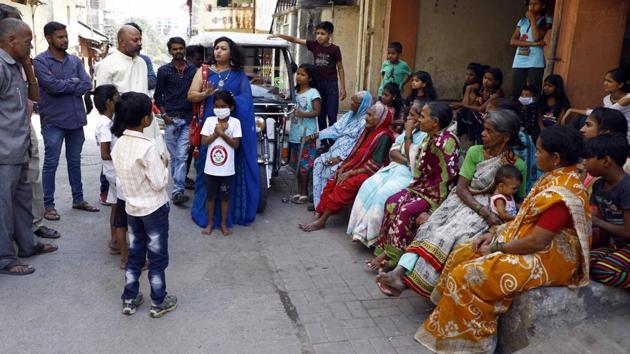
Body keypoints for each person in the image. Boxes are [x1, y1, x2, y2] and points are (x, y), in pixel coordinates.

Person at [415, 126, 589, 353]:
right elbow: (527, 222)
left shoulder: (562, 193)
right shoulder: (555, 177)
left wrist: (498, 246)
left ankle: (473, 345)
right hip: (538, 240)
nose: (535, 155)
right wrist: (494, 234)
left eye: (538, 151)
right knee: (464, 250)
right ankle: (452, 320)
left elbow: (537, 242)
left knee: (469, 274)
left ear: (555, 158)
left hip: (554, 255)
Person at [375, 109, 527, 298]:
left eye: (489, 131)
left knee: (452, 238)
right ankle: (398, 274)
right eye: (484, 129)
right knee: (429, 228)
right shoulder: (475, 152)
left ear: (505, 137)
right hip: (463, 202)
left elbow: (519, 199)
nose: (483, 133)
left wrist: (501, 216)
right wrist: (484, 212)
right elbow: (462, 188)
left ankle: (411, 282)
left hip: (492, 209)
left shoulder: (517, 164)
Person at [369, 102, 460, 269]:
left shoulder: (445, 143)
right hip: (421, 188)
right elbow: (419, 166)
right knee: (391, 202)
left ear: (435, 122)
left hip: (435, 194)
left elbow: (447, 177)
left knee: (406, 210)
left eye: (422, 116)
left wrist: (434, 205)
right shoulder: (430, 137)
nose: (418, 119)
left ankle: (395, 257)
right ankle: (387, 249)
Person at [111, 92, 177, 317]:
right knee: (157, 258)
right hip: (154, 210)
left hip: (132, 208)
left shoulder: (119, 144)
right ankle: (158, 301)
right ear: (146, 120)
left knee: (135, 254)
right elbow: (159, 182)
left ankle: (129, 298)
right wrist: (165, 164)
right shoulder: (148, 147)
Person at [0, 19, 58, 275]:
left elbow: (35, 97)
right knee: (2, 207)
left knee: (22, 201)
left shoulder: (16, 65)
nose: (31, 47)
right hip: (4, 152)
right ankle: (4, 258)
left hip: (20, 147)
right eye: (27, 42)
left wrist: (28, 67)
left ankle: (28, 244)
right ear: (10, 40)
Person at [188, 36, 258, 228]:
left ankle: (228, 215)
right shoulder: (203, 72)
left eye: (223, 48)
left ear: (231, 53)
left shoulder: (238, 75)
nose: (218, 51)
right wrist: (205, 94)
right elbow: (191, 95)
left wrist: (234, 101)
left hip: (230, 128)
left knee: (228, 170)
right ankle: (205, 214)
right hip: (209, 126)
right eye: (216, 48)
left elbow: (247, 100)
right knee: (206, 169)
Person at [33, 21, 97, 221]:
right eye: (60, 36)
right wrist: (72, 83)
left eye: (65, 36)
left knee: (75, 161)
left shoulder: (75, 61)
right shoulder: (41, 61)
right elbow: (50, 86)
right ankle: (48, 205)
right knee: (51, 163)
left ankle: (78, 199)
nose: (64, 39)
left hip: (76, 119)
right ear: (49, 38)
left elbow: (86, 83)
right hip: (53, 120)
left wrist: (67, 84)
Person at [300, 102, 394, 232]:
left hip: (371, 172)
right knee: (333, 180)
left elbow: (375, 165)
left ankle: (322, 220)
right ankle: (318, 214)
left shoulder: (383, 136)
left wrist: (350, 173)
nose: (366, 117)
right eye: (367, 114)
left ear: (380, 119)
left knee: (344, 185)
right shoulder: (368, 130)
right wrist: (344, 167)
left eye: (371, 115)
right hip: (358, 167)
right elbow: (355, 153)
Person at [347, 99, 428, 247]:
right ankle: (360, 230)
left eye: (412, 115)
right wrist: (406, 160)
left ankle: (373, 237)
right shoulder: (411, 131)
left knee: (382, 194)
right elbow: (393, 152)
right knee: (368, 185)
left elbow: (415, 163)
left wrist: (408, 134)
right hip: (396, 167)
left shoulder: (424, 136)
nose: (408, 118)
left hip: (410, 176)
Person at [269, 22, 346, 146]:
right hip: (318, 84)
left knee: (332, 114)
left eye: (322, 34)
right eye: (317, 33)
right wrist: (279, 35)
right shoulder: (314, 45)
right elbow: (295, 39)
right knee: (320, 115)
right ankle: (323, 142)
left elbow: (340, 68)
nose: (319, 36)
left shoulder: (335, 49)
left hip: (331, 84)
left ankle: (333, 142)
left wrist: (343, 88)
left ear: (330, 34)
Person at [86, 85, 129, 269]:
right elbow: (105, 153)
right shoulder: (105, 124)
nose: (119, 98)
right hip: (115, 172)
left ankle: (115, 242)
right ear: (109, 103)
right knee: (123, 212)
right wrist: (125, 156)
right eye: (116, 96)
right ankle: (126, 254)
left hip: (111, 172)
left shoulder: (107, 121)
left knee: (115, 207)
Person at [311, 91, 372, 209]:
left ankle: (325, 204)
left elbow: (358, 145)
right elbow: (336, 128)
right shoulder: (349, 115)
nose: (351, 103)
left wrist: (340, 158)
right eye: (352, 100)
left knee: (330, 171)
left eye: (355, 102)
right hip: (336, 149)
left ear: (363, 105)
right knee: (318, 163)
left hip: (348, 156)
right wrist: (318, 134)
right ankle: (318, 203)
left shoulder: (366, 122)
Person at [154, 37, 197, 205]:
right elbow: (158, 97)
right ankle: (178, 188)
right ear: (170, 51)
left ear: (184, 49)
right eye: (174, 49)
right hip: (171, 119)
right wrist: (165, 116)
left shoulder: (193, 70)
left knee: (182, 155)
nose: (178, 51)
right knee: (175, 157)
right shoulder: (164, 71)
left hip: (187, 119)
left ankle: (178, 190)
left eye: (181, 48)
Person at [584, 134, 630, 289]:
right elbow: (602, 225)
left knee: (603, 270)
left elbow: (627, 231)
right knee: (581, 262)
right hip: (617, 245)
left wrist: (597, 221)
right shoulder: (598, 186)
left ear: (605, 161)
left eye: (588, 158)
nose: (584, 164)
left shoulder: (626, 188)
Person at [199, 91, 242, 236]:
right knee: (210, 197)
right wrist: (216, 133)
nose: (220, 109)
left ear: (231, 107)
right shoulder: (210, 121)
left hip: (227, 170)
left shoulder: (235, 123)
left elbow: (236, 145)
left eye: (223, 106)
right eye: (217, 106)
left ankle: (223, 223)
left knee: (225, 197)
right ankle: (210, 223)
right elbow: (204, 142)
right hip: (210, 170)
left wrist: (223, 134)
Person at [563, 67, 630, 143]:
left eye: (609, 81)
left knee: (584, 118)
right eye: (605, 80)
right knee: (585, 119)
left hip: (625, 135)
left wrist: (572, 110)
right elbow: (600, 114)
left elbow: (606, 113)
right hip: (609, 130)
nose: (605, 83)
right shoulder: (607, 98)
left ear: (620, 84)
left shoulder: (628, 98)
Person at [288, 63, 321, 204]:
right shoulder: (294, 93)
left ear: (310, 78)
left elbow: (317, 112)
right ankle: (299, 192)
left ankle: (304, 193)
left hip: (308, 135)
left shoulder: (313, 93)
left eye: (303, 74)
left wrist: (302, 113)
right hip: (295, 134)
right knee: (296, 165)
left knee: (305, 166)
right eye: (298, 74)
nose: (299, 77)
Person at [510, 0, 552, 98]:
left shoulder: (546, 20)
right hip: (519, 59)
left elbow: (537, 37)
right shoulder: (522, 21)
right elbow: (513, 41)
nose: (532, 6)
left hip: (535, 60)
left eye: (536, 4)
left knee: (534, 89)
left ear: (543, 5)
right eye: (530, 4)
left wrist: (533, 19)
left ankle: (532, 111)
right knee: (517, 90)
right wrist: (533, 43)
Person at [453, 67, 504, 144]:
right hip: (480, 115)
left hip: (492, 118)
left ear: (496, 82)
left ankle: (476, 141)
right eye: (484, 78)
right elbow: (468, 104)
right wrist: (468, 92)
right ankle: (459, 138)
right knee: (462, 112)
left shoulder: (496, 93)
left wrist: (461, 104)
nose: (485, 81)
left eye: (489, 80)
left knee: (471, 114)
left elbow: (481, 109)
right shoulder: (480, 89)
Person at [184, 44, 206, 190]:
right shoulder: (195, 72)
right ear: (189, 58)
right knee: (189, 149)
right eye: (198, 60)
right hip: (189, 115)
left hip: (195, 114)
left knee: (192, 148)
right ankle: (183, 178)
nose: (201, 63)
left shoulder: (200, 70)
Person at [124, 22, 156, 90]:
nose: (139, 43)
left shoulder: (144, 60)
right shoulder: (110, 62)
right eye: (135, 40)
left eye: (140, 39)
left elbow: (152, 81)